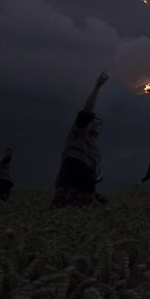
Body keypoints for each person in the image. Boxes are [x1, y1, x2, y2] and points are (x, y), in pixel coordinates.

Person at [51, 72, 110, 207]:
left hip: (85, 198)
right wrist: (97, 87)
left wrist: (98, 196)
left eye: (99, 123)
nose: (95, 124)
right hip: (66, 192)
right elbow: (87, 111)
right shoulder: (77, 135)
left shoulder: (95, 153)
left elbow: (88, 179)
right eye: (93, 121)